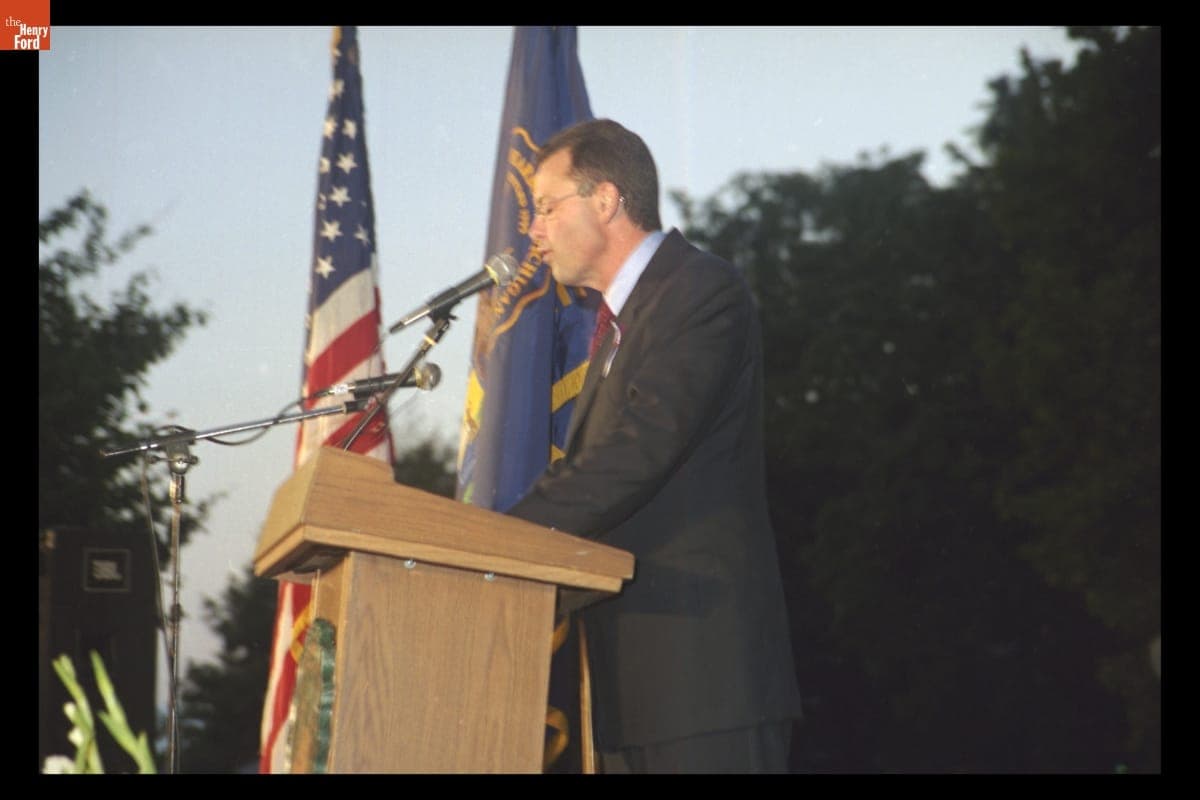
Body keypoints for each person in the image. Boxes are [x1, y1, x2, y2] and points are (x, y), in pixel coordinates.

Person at [506, 118, 803, 774]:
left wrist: (494, 540)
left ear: (606, 200)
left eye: (547, 208)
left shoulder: (698, 291)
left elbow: (637, 450)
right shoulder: (617, 327)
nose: (534, 230)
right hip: (629, 691)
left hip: (703, 680)